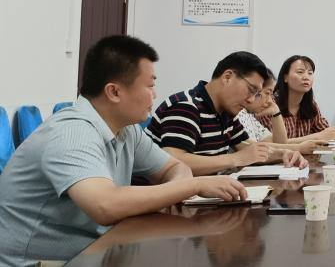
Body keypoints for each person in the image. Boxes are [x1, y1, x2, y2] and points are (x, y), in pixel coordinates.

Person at [0, 35, 246, 266]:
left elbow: (173, 166)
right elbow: (105, 205)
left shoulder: (127, 130)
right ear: (114, 92)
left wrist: (176, 189)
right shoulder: (72, 133)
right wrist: (192, 186)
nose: (155, 94)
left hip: (96, 250)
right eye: (150, 85)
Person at [146, 51, 307, 176]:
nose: (251, 100)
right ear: (227, 77)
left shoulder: (227, 113)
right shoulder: (186, 106)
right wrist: (235, 158)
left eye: (257, 94)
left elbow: (252, 150)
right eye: (251, 90)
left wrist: (285, 153)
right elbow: (174, 160)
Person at [260, 55, 335, 143]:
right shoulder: (269, 103)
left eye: (310, 73)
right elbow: (275, 144)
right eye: (300, 72)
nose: (306, 77)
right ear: (285, 77)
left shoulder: (311, 104)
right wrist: (317, 137)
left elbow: (324, 133)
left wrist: (334, 132)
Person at [236, 74, 327, 154]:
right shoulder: (238, 115)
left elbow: (279, 144)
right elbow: (252, 150)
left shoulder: (249, 116)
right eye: (267, 93)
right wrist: (299, 148)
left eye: (310, 73)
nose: (270, 100)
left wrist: (276, 113)